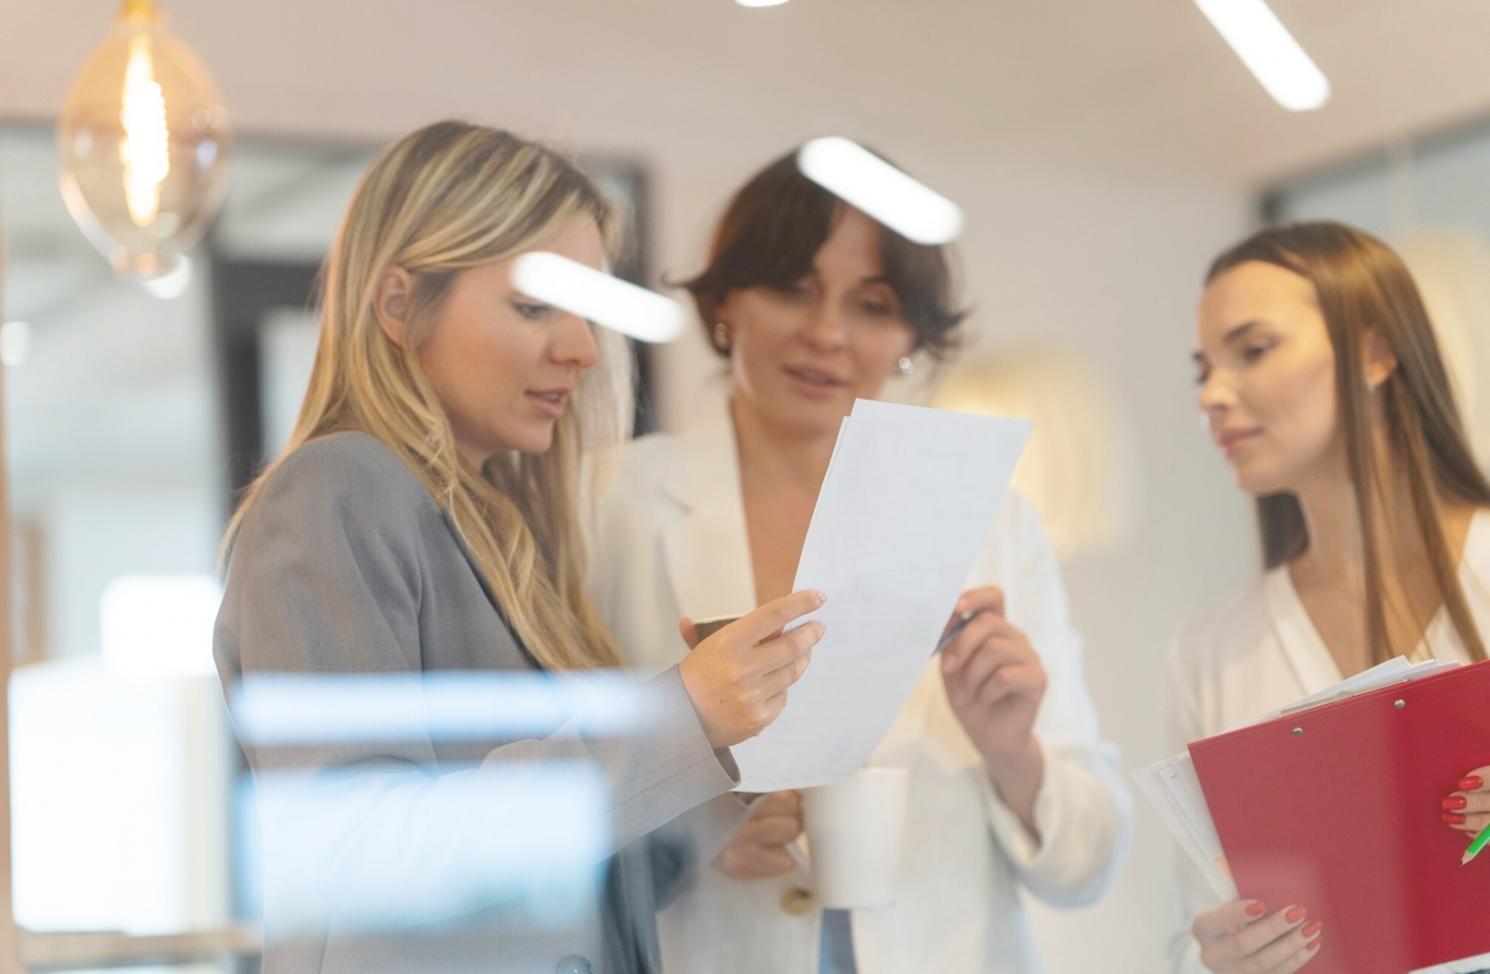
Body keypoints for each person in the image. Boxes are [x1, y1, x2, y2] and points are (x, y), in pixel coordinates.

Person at [213, 120, 827, 974]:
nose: (579, 350)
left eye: (586, 311)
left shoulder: (497, 533)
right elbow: (363, 856)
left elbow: (543, 897)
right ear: (398, 305)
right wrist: (675, 718)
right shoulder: (338, 492)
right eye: (535, 305)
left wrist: (705, 800)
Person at [587, 147, 1131, 974]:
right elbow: (544, 791)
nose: (826, 334)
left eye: (871, 305)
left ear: (912, 335)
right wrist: (683, 831)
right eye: (791, 288)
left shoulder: (990, 519)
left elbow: (1088, 866)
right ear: (726, 300)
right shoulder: (611, 503)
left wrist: (1014, 750)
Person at [1170, 221, 1490, 974]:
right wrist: (1218, 958)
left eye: (1253, 351)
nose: (1214, 395)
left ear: (1377, 353)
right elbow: (1189, 927)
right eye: (1203, 370)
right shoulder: (1210, 650)